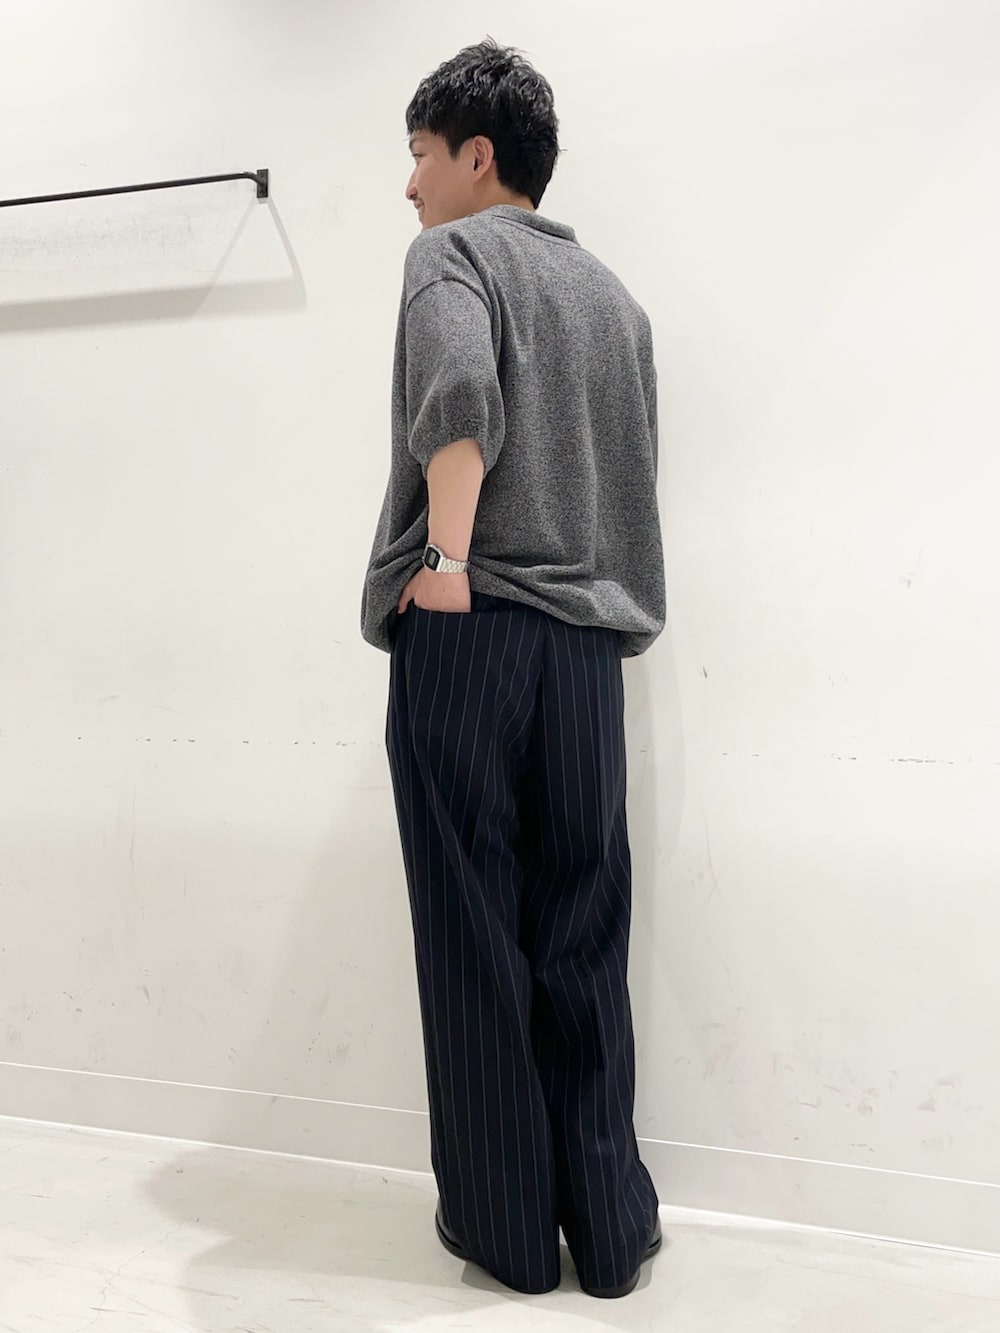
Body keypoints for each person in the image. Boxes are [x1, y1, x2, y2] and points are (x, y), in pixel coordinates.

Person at [361, 38, 666, 1299]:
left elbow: (458, 397)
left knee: (473, 928)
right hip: (587, 650)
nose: (411, 184)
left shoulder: (453, 255)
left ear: (477, 156)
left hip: (475, 623)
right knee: (582, 928)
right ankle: (608, 1227)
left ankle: (504, 1229)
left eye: (420, 155)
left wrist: (443, 558)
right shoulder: (614, 301)